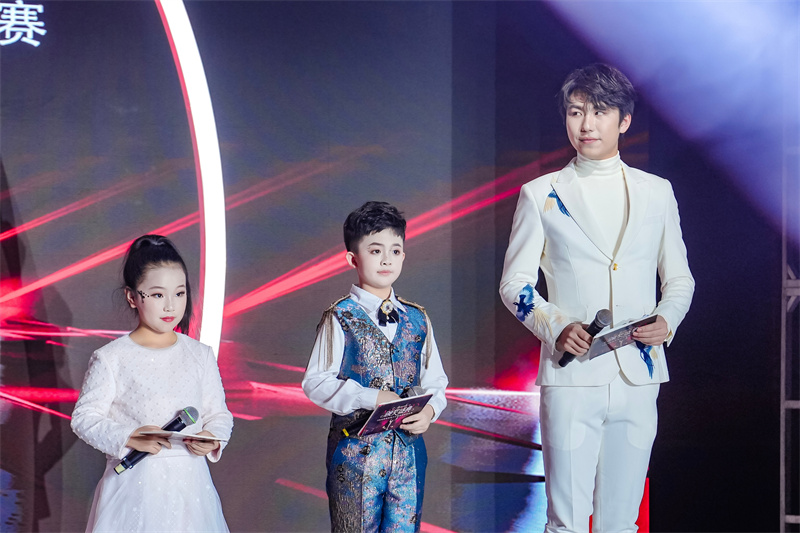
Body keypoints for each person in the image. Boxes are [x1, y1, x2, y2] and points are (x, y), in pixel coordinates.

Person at [499, 64, 694, 532]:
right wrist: (556, 325)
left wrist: (667, 319)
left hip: (639, 375)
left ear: (624, 120)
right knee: (566, 522)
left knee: (622, 523)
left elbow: (680, 280)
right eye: (575, 112)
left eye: (599, 111)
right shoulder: (540, 194)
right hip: (571, 376)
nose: (586, 124)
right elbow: (514, 284)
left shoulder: (657, 193)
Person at [302, 201, 448, 533]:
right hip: (354, 455)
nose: (386, 259)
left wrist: (430, 411)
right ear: (352, 258)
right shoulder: (340, 316)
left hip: (409, 455)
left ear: (403, 256)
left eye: (395, 251)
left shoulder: (417, 317)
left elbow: (436, 380)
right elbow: (316, 382)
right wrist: (372, 397)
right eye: (375, 250)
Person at [71, 235, 233, 532]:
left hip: (191, 488)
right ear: (132, 297)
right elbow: (84, 418)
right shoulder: (112, 357)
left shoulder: (200, 354)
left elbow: (219, 414)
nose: (171, 305)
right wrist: (129, 437)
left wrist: (212, 437)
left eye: (180, 293)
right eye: (158, 295)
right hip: (134, 486)